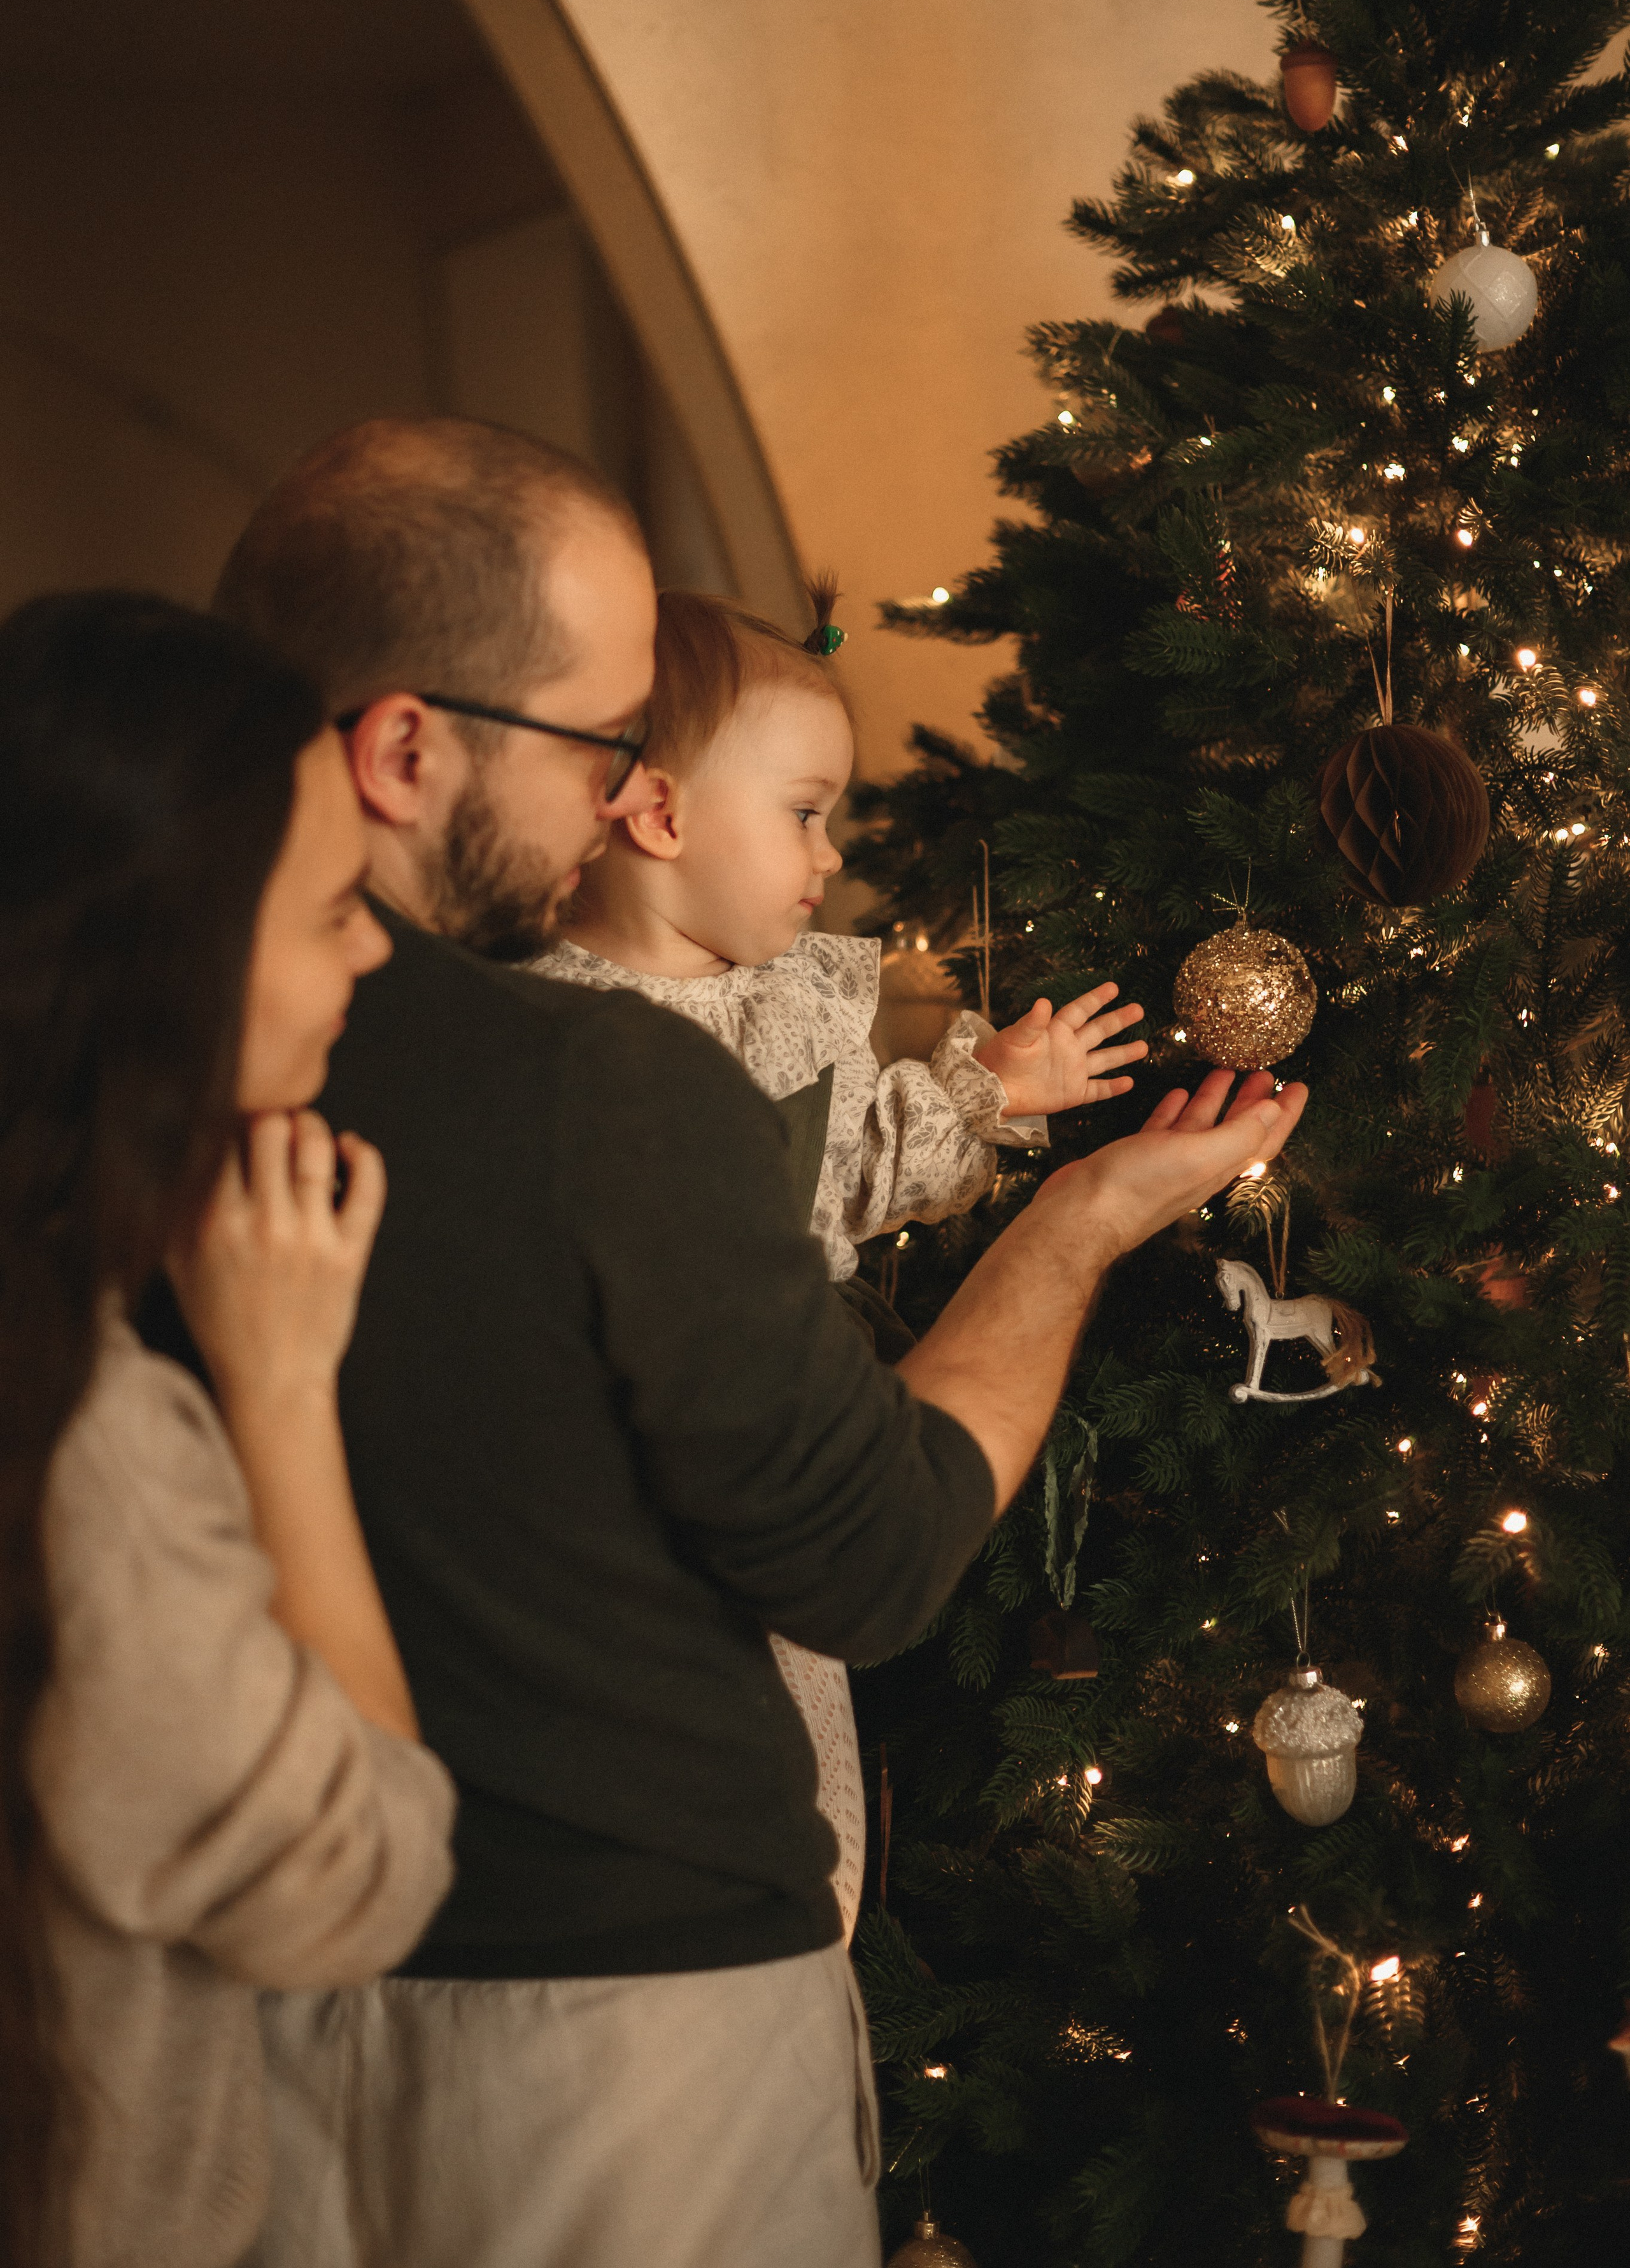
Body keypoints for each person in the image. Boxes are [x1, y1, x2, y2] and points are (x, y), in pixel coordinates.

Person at [202, 416, 1304, 2268]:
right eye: (598, 743)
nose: (621, 797)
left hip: (253, 2022)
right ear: (405, 749)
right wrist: (1082, 1216)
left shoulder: (122, 1048)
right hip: (619, 2036)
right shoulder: (594, 1088)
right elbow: (870, 1553)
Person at [548, 577, 1151, 1939]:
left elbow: (862, 1167)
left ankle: (801, 1942)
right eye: (804, 812)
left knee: (800, 1747)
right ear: (658, 813)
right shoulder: (548, 1022)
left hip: (808, 1449)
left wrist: (987, 1090)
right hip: (630, 1485)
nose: (829, 854)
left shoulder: (794, 1003)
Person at [0, 592, 455, 2268]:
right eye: (335, 905)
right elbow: (354, 1885)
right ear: (168, 949)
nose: (375, 950)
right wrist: (278, 1390)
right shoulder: (81, 1434)